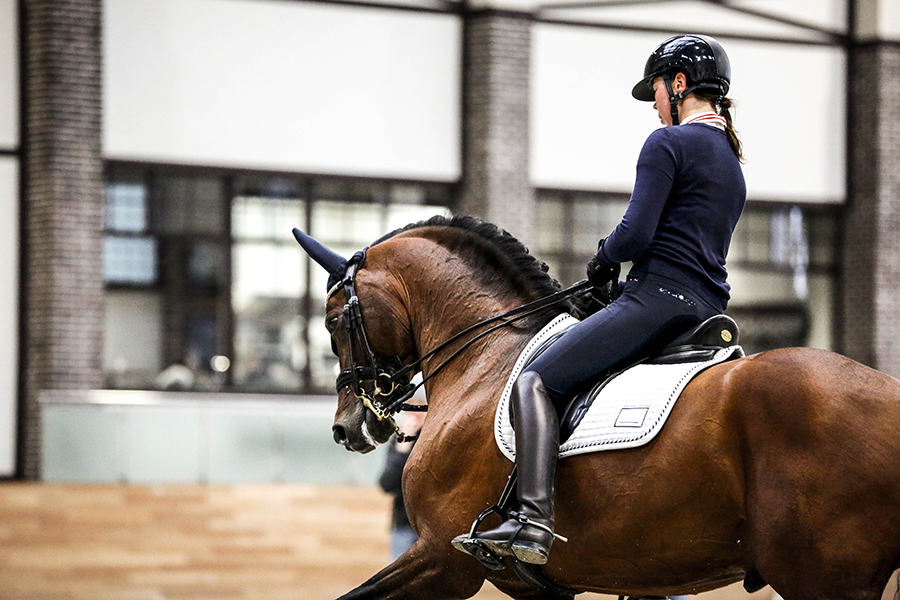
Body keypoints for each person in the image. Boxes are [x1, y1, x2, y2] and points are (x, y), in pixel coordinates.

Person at [452, 34, 746, 567]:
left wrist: (603, 255)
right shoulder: (731, 158)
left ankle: (532, 520)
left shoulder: (668, 144)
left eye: (656, 91)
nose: (655, 106)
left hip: (658, 298)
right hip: (705, 308)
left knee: (534, 381)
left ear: (679, 85)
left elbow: (635, 235)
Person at [378, 398, 427, 560]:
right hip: (404, 525)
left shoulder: (442, 439)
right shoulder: (401, 438)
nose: (414, 414)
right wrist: (402, 449)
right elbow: (387, 484)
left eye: (419, 407)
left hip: (436, 527)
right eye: (410, 408)